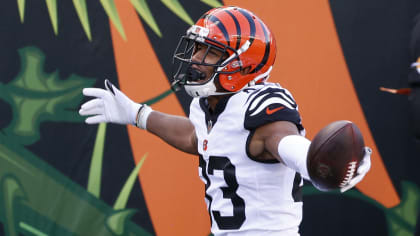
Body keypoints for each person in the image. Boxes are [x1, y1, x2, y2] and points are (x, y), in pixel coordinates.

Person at [79, 6, 371, 236]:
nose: (195, 58)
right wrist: (138, 114)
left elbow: (283, 140)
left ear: (240, 65)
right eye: (197, 47)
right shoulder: (208, 106)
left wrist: (316, 161)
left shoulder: (260, 107)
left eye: (210, 51)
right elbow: (198, 139)